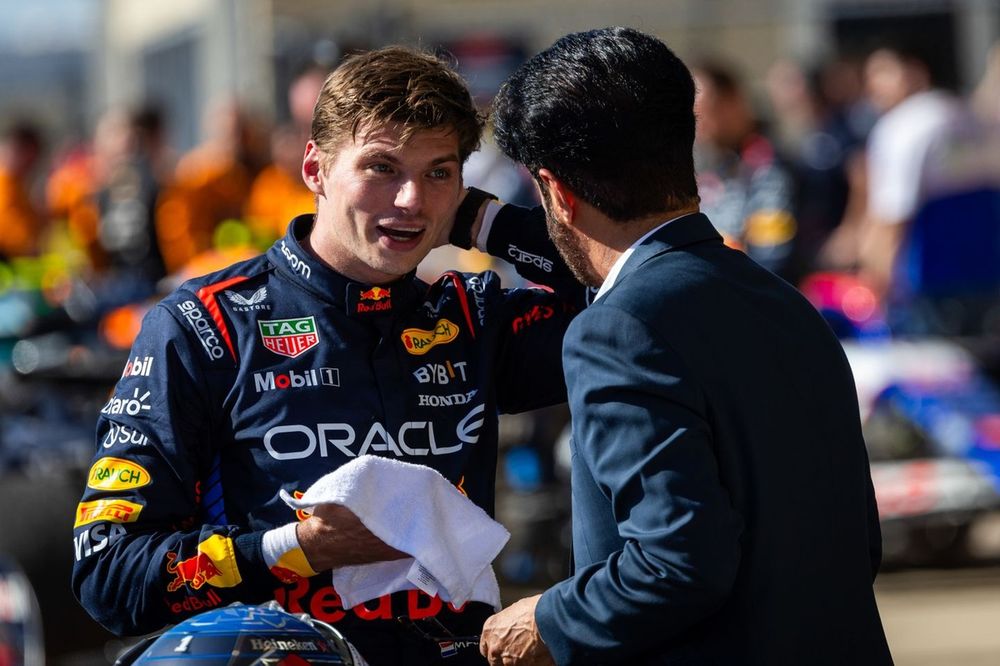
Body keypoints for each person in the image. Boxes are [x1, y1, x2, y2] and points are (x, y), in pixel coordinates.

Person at [72, 46, 585, 665]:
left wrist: (478, 220)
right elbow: (109, 573)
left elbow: (629, 285)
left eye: (437, 172)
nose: (409, 202)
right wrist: (295, 548)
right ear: (314, 169)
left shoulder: (471, 319)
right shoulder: (206, 325)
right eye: (381, 168)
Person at [481, 27, 892, 665]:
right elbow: (857, 541)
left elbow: (674, 564)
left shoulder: (616, 327)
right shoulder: (782, 301)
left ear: (556, 193)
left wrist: (549, 619)